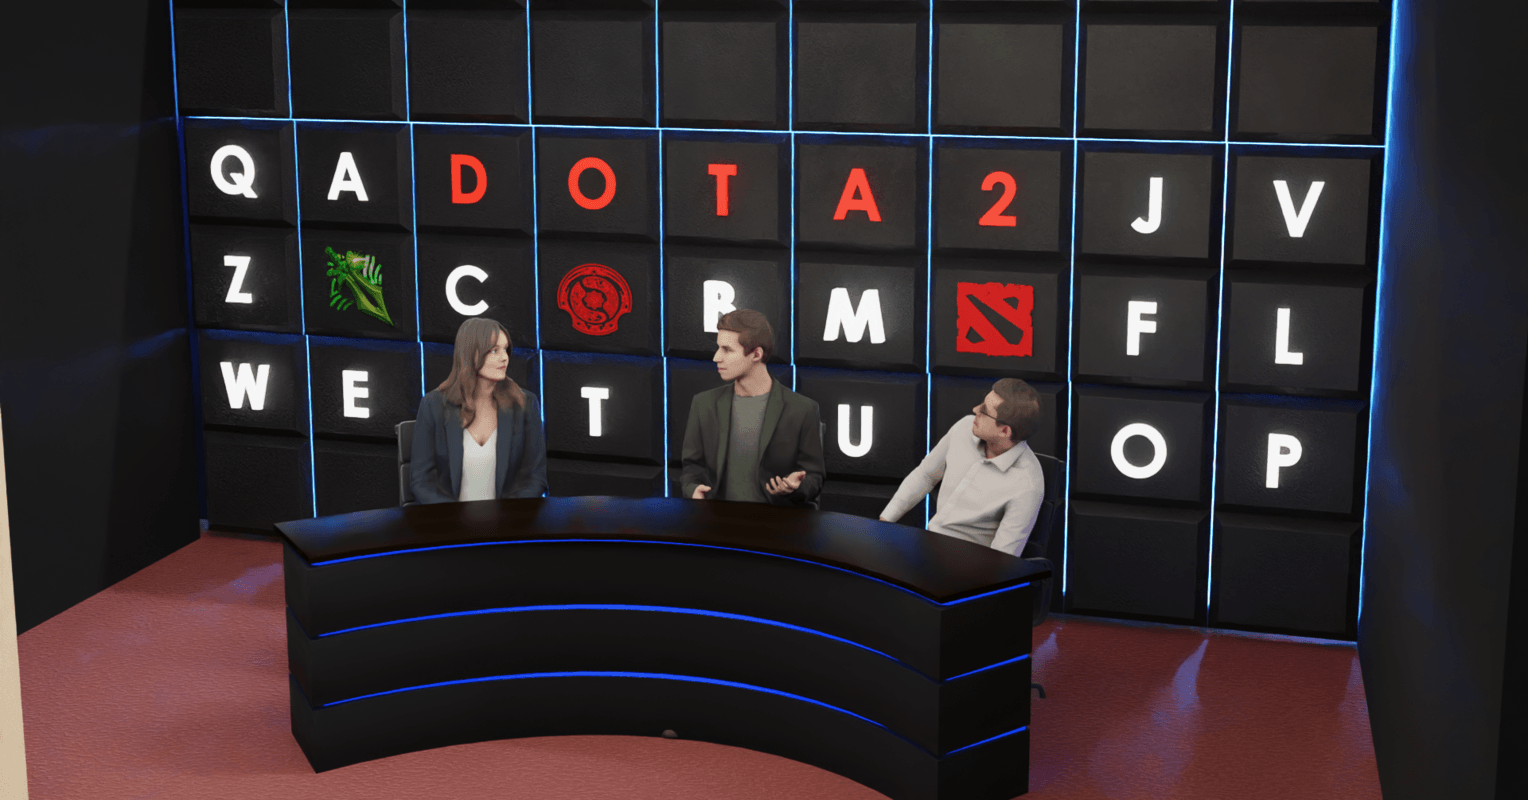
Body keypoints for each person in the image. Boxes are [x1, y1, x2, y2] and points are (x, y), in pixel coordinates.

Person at [879, 378, 1045, 557]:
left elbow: (1003, 557)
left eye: (984, 411)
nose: (975, 410)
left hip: (969, 563)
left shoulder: (1028, 484)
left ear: (1004, 431)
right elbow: (926, 475)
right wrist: (884, 521)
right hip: (930, 546)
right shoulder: (964, 427)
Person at [680, 309, 825, 508]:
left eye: (727, 350)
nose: (716, 357)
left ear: (756, 354)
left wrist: (796, 487)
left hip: (777, 522)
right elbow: (691, 468)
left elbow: (814, 478)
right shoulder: (704, 404)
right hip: (716, 519)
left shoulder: (802, 409)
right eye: (718, 348)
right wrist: (693, 489)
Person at [410, 317, 547, 503]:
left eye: (505, 349)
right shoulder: (433, 405)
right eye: (494, 350)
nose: (504, 357)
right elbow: (421, 481)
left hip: (509, 519)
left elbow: (536, 478)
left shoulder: (525, 403)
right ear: (470, 353)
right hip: (450, 519)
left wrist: (507, 515)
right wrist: (454, 516)